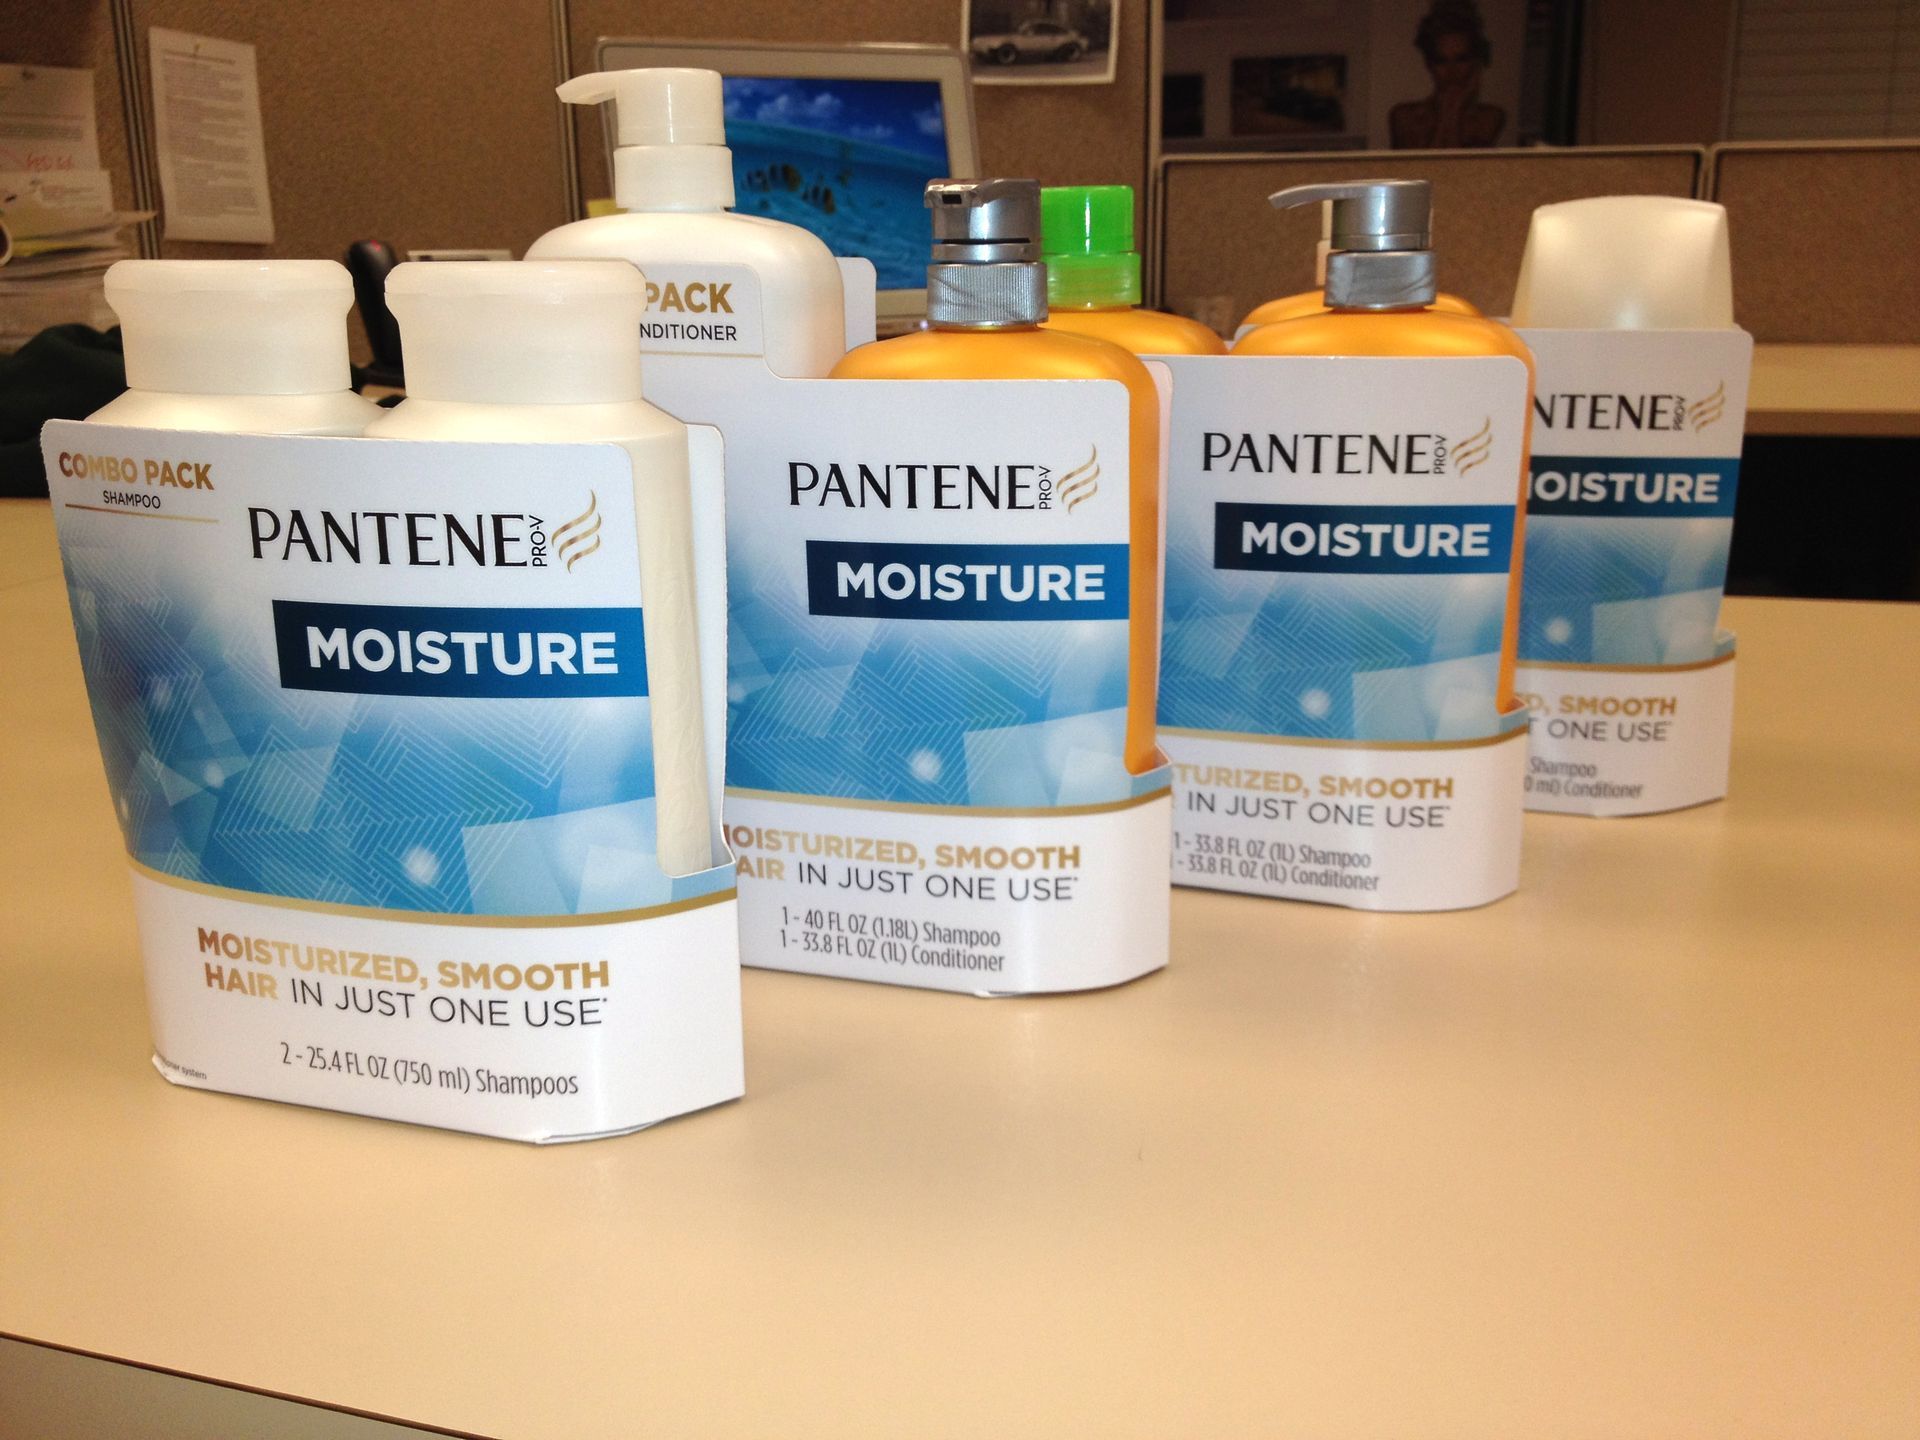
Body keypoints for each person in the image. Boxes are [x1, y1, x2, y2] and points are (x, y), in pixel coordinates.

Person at [1390, 0, 1506, 149]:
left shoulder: (1489, 117)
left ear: (1475, 62)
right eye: (1441, 61)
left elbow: (1456, 169)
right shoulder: (1404, 117)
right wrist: (1446, 114)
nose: (1452, 71)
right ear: (1430, 64)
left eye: (1461, 59)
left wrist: (1454, 111)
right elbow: (1427, 169)